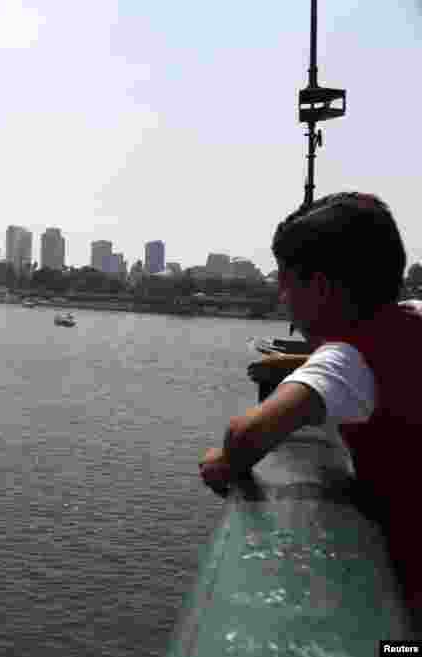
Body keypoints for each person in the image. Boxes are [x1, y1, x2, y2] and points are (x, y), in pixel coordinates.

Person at [199, 191, 422, 618]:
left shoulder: (347, 359)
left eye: (285, 282)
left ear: (319, 288)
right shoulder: (411, 317)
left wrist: (223, 460)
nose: (282, 296)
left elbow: (248, 435)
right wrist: (301, 361)